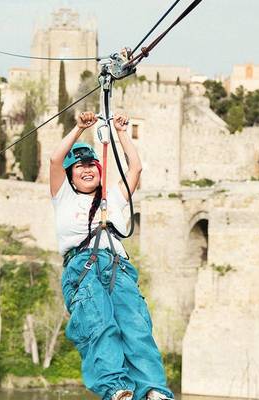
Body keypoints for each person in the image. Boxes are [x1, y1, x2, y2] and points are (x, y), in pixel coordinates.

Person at [50, 111, 174, 400]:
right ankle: (116, 387)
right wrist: (79, 129)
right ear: (70, 175)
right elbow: (56, 160)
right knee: (98, 323)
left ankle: (153, 388)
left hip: (117, 266)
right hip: (83, 267)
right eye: (79, 167)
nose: (86, 169)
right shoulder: (63, 197)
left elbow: (136, 169)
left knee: (136, 327)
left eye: (91, 164)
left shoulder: (114, 196)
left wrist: (121, 134)